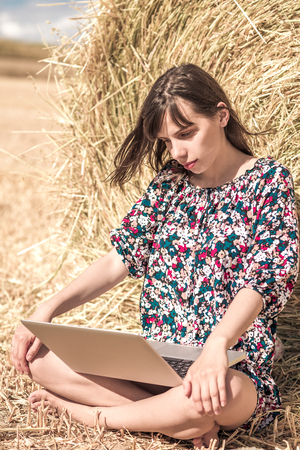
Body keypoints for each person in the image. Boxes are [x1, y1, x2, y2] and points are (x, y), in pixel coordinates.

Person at [10, 64, 299, 449]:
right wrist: (48, 309)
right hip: (159, 362)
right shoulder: (170, 183)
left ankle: (96, 415)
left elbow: (266, 278)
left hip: (230, 368)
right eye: (166, 141)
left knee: (215, 394)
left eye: (187, 133)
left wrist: (217, 345)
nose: (178, 152)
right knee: (39, 357)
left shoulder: (269, 181)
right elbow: (119, 259)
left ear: (221, 115)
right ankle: (169, 416)